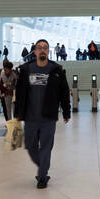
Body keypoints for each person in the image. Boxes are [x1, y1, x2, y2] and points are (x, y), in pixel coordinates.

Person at [14, 39, 70, 189]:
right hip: (30, 117)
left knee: (46, 147)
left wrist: (66, 111)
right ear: (35, 51)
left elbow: (64, 93)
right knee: (30, 146)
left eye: (45, 47)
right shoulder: (26, 69)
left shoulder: (56, 70)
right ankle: (43, 167)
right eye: (40, 48)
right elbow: (19, 93)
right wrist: (17, 113)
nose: (43, 50)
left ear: (48, 50)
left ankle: (42, 176)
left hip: (48, 117)